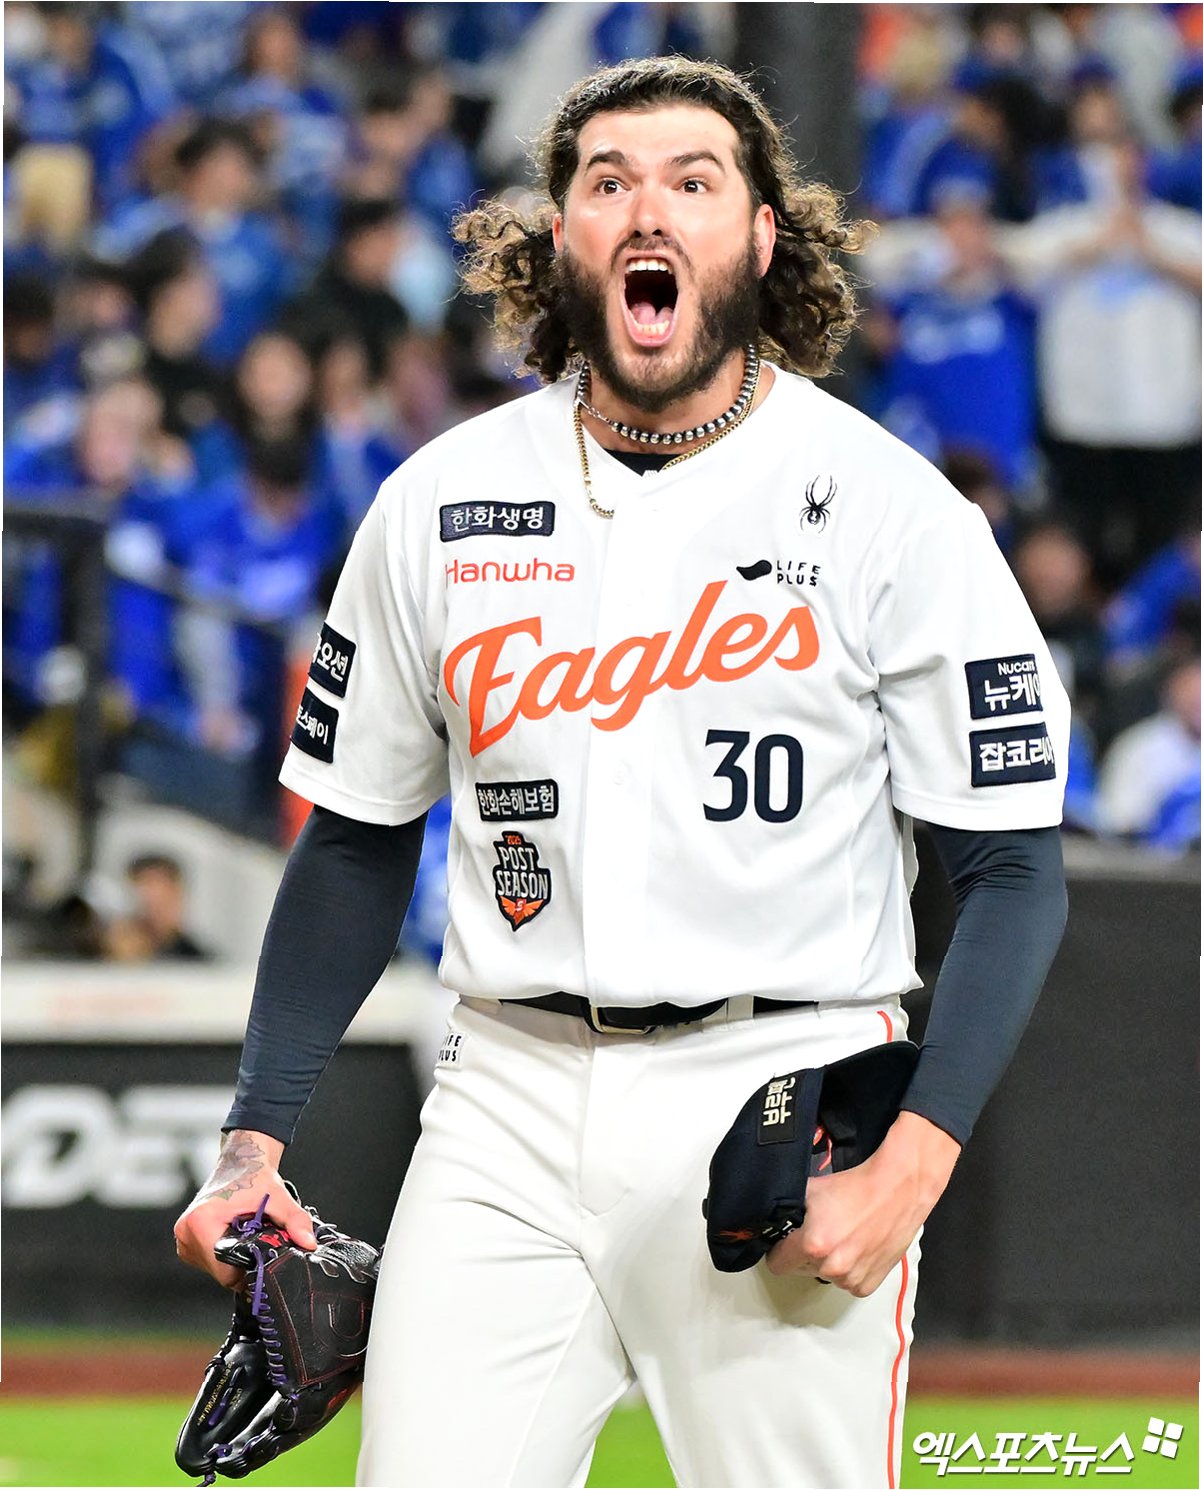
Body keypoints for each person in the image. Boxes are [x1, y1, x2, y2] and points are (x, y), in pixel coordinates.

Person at [174, 58, 1069, 1490]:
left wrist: (917, 1156)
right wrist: (254, 1137)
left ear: (761, 238)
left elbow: (1013, 869)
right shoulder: (439, 503)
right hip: (504, 1099)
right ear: (562, 238)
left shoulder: (897, 511)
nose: (648, 207)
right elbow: (353, 839)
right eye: (609, 182)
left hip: (778, 1092)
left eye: (692, 180)